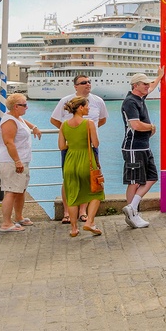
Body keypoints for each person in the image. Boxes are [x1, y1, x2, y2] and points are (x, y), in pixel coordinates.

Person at [49, 74, 109, 224]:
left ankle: (82, 211)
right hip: (70, 147)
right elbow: (54, 119)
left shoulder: (98, 101)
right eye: (83, 82)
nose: (88, 84)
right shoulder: (65, 101)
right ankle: (67, 212)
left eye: (89, 82)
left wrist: (87, 134)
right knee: (68, 179)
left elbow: (102, 120)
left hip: (90, 146)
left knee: (88, 178)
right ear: (75, 86)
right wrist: (70, 134)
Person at [121, 71, 163, 229]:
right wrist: (152, 127)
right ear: (135, 86)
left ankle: (132, 208)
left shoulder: (139, 97)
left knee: (151, 178)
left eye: (147, 83)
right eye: (144, 84)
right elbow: (136, 125)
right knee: (134, 181)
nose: (147, 86)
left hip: (144, 146)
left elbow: (151, 88)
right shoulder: (130, 102)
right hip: (133, 147)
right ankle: (133, 214)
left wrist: (159, 77)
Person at [58, 97, 104, 237]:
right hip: (86, 160)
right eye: (87, 106)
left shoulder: (64, 125)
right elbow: (95, 144)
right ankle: (89, 221)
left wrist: (73, 145)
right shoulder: (88, 123)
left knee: (72, 196)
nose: (88, 108)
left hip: (70, 161)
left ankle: (73, 229)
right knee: (97, 193)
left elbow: (61, 146)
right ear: (80, 108)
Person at [0, 94, 42, 233]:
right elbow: (8, 142)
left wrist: (34, 127)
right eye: (24, 105)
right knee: (11, 190)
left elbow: (22, 121)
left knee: (20, 190)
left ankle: (18, 216)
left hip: (22, 160)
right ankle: (6, 223)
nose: (27, 107)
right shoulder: (9, 121)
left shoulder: (16, 117)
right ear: (16, 106)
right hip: (11, 162)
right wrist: (17, 161)